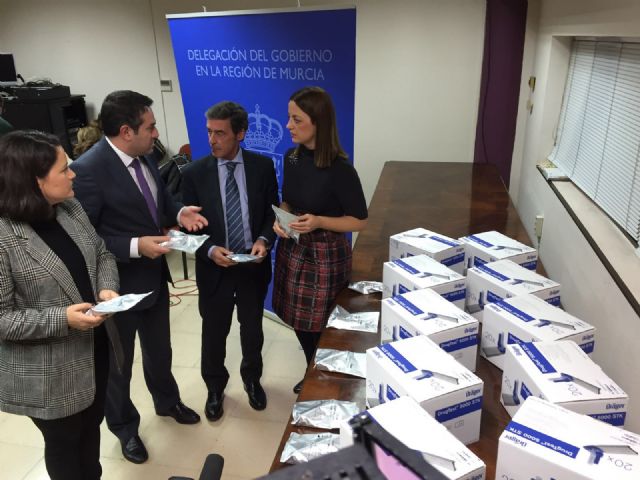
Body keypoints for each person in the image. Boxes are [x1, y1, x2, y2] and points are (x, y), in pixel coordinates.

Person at [70, 90, 208, 464]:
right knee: (119, 366)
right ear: (126, 131)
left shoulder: (145, 156)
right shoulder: (88, 171)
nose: (156, 133)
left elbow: (158, 202)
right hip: (115, 287)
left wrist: (179, 214)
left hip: (154, 279)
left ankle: (167, 402)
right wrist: (135, 246)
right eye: (150, 127)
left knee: (160, 350)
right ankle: (125, 429)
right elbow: (85, 238)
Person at [0, 130, 121, 479]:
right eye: (64, 169)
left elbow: (101, 253)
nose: (73, 174)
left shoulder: (69, 208)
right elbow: (3, 319)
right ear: (34, 180)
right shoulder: (5, 236)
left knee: (91, 432)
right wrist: (62, 318)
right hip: (48, 372)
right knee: (65, 444)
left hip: (94, 350)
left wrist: (107, 288)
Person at [181, 101, 278, 421]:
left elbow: (272, 213)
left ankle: (252, 380)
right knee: (213, 332)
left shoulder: (262, 167)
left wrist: (264, 240)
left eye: (220, 133)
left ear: (240, 133)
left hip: (252, 265)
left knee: (252, 329)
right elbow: (187, 228)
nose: (212, 140)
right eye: (209, 132)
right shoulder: (194, 174)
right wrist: (209, 250)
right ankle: (214, 388)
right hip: (214, 268)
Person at [272, 87, 368, 393]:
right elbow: (288, 201)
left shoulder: (341, 170)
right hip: (293, 246)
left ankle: (324, 376)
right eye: (289, 117)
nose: (288, 125)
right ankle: (313, 369)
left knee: (322, 323)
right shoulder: (292, 158)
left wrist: (319, 221)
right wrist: (281, 219)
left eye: (296, 119)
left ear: (319, 122)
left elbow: (359, 220)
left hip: (326, 254)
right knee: (297, 319)